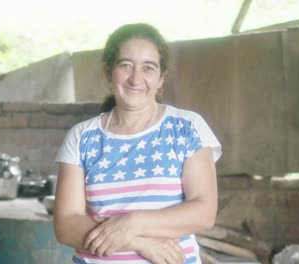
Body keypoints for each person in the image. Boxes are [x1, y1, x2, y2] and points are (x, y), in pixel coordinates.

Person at [54, 23, 222, 264]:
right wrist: (137, 241)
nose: (136, 78)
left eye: (148, 68)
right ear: (108, 72)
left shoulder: (188, 129)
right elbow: (66, 225)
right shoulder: (81, 137)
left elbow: (204, 213)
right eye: (125, 66)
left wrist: (132, 223)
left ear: (161, 78)